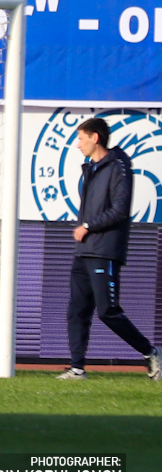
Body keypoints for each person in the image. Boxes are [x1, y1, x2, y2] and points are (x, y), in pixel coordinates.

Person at [56, 118, 161, 381]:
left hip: (104, 250)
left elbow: (119, 211)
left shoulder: (118, 167)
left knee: (107, 311)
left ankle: (151, 353)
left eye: (81, 138)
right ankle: (77, 368)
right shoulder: (91, 168)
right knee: (77, 310)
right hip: (84, 250)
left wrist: (88, 226)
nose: (78, 144)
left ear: (96, 138)